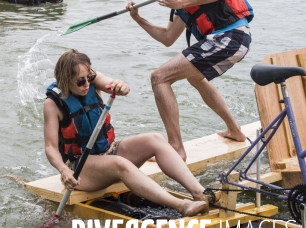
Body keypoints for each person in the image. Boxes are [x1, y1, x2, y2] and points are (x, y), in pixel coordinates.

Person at [126, 0, 253, 161]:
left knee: (159, 77)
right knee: (196, 78)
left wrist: (181, 4)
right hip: (233, 40)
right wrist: (138, 18)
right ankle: (235, 131)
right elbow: (167, 37)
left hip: (230, 36)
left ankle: (176, 148)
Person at [44, 49, 208, 217]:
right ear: (65, 80)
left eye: (89, 78)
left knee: (155, 139)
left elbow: (111, 83)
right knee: (119, 164)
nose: (87, 84)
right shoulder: (52, 105)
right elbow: (50, 148)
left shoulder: (93, 80)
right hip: (81, 168)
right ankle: (181, 205)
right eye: (80, 81)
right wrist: (64, 170)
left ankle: (200, 193)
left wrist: (121, 86)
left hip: (107, 153)